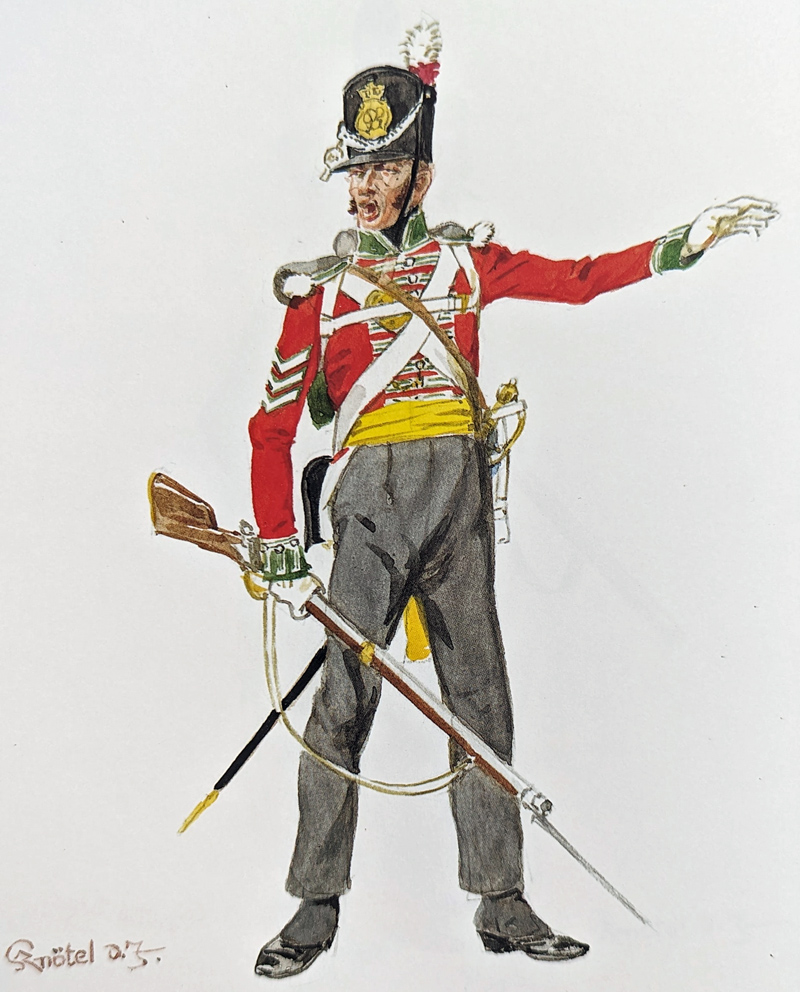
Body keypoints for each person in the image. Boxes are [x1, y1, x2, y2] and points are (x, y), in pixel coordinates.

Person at [245, 20, 777, 980]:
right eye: (356, 170)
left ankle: (501, 900)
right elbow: (271, 428)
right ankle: (313, 907)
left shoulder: (463, 266)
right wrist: (281, 541)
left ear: (422, 176)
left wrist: (679, 246)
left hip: (457, 502)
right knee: (342, 707)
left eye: (386, 168)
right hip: (367, 507)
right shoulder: (318, 293)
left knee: (480, 701)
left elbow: (578, 282)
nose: (366, 188)